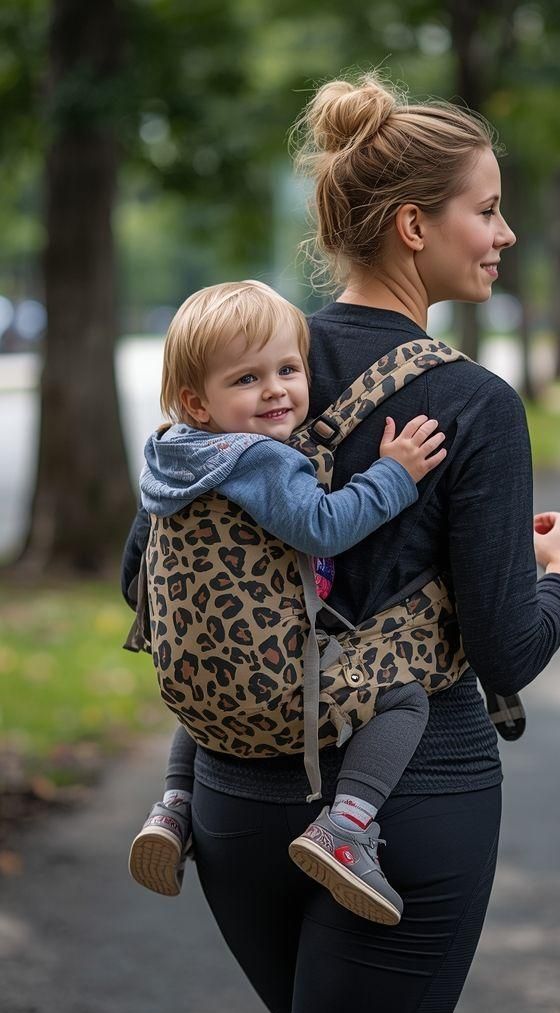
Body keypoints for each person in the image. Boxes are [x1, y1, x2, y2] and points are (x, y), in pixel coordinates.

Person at [121, 72, 560, 1013]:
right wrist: (557, 578)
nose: (503, 235)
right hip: (405, 805)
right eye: (488, 211)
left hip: (230, 797)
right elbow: (508, 654)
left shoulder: (250, 364)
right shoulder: (473, 404)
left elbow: (143, 572)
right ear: (414, 226)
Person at [128, 279, 450, 925]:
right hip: (277, 692)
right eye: (247, 379)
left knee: (207, 687)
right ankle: (348, 826)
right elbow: (324, 526)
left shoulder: (171, 455)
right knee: (403, 696)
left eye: (288, 369)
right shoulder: (256, 459)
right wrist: (395, 473)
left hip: (190, 685)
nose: (275, 389)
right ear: (197, 401)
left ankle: (174, 805)